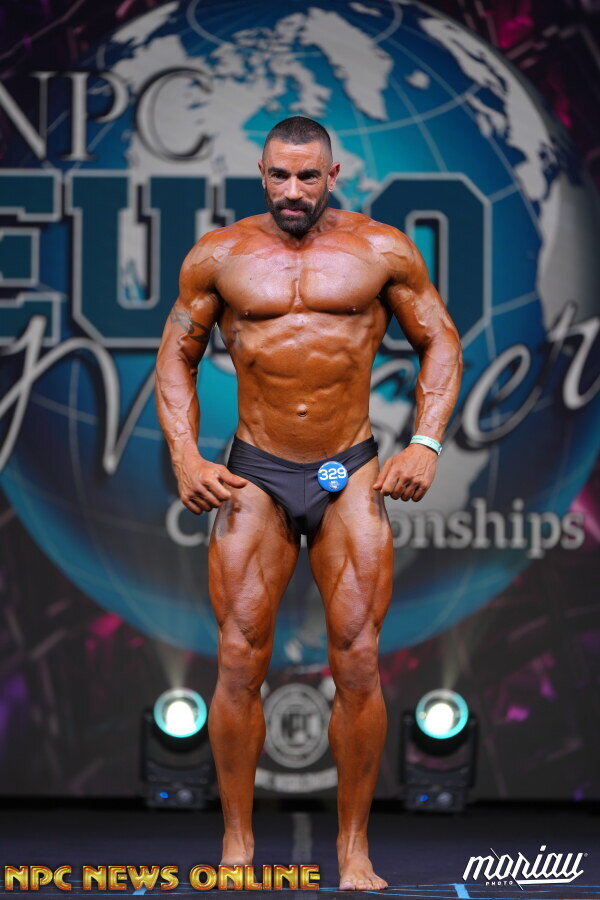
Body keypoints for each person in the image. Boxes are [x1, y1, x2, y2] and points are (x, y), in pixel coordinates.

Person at [155, 116, 462, 891]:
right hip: (256, 472)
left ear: (334, 175)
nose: (293, 191)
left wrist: (425, 442)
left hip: (349, 469)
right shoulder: (219, 256)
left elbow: (441, 340)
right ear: (261, 173)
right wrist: (185, 455)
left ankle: (354, 851)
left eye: (308, 177)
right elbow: (176, 356)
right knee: (237, 659)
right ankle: (236, 846)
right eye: (280, 176)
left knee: (357, 660)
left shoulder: (381, 250)